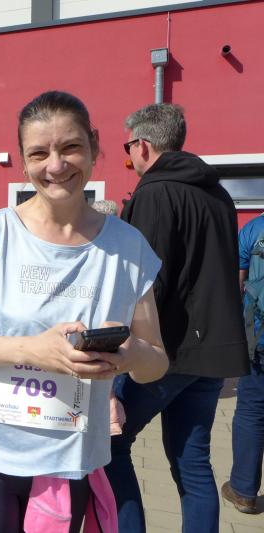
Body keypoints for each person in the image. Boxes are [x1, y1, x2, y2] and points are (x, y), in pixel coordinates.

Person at [0, 91, 169, 533]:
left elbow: (157, 362)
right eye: (39, 153)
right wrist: (32, 350)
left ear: (94, 146)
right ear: (22, 161)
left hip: (69, 457)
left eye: (70, 147)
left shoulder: (128, 248)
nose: (56, 165)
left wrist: (129, 355)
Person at [105, 103, 249, 533]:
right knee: (194, 464)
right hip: (213, 353)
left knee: (110, 444)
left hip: (167, 352)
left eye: (128, 149)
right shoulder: (218, 194)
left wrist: (120, 355)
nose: (129, 158)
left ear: (143, 145)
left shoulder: (154, 193)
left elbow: (145, 284)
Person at [221, 212, 264, 514]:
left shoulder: (254, 228)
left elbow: (236, 282)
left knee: (251, 411)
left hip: (259, 337)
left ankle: (244, 490)